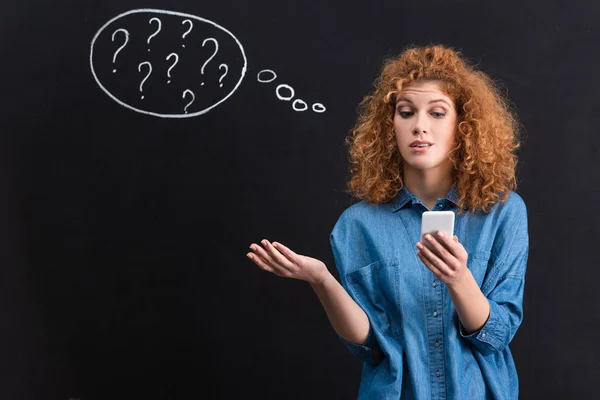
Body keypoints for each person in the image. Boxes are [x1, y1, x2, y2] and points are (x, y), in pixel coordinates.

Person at [246, 43, 529, 399]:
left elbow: (497, 336)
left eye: (438, 113)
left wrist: (458, 278)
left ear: (464, 125)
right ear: (389, 125)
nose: (419, 126)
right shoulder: (357, 225)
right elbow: (370, 346)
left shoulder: (502, 213)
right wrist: (321, 280)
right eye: (406, 112)